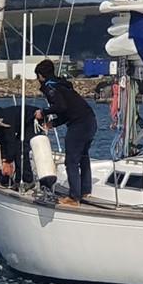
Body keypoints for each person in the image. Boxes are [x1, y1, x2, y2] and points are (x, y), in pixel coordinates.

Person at [34, 59, 97, 206]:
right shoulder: (62, 85)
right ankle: (85, 190)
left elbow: (60, 107)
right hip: (90, 120)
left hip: (79, 125)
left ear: (41, 75)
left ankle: (74, 197)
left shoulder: (50, 87)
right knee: (83, 156)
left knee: (72, 161)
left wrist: (43, 112)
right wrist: (53, 123)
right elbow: (66, 110)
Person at [0, 105, 40, 188]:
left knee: (20, 149)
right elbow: (2, 143)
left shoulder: (5, 122)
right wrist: (4, 160)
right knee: (15, 149)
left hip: (34, 119)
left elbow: (11, 143)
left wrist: (8, 162)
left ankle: (28, 180)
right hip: (23, 124)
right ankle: (18, 179)